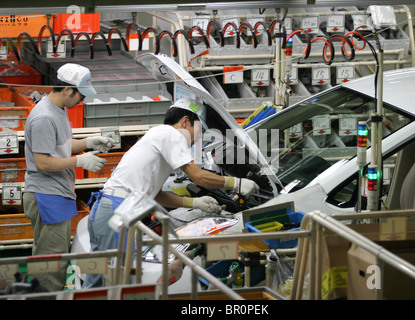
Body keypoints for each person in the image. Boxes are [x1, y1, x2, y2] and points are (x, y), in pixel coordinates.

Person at [83, 98, 259, 288]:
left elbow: (156, 194)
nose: (199, 137)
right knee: (122, 284)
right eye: (199, 129)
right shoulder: (171, 135)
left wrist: (193, 203)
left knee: (98, 281)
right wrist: (236, 183)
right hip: (117, 211)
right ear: (185, 121)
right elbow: (198, 176)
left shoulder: (158, 135)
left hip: (107, 209)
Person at [23, 63, 115, 292]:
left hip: (56, 193)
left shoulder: (58, 110)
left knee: (49, 257)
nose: (81, 101)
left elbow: (60, 146)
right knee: (51, 265)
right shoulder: (44, 117)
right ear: (67, 90)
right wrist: (79, 161)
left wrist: (86, 143)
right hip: (47, 195)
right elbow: (43, 162)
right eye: (80, 95)